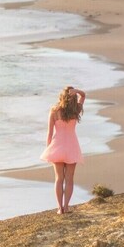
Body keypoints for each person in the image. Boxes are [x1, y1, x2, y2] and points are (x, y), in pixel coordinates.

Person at [41, 86, 85, 214]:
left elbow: (49, 134)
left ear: (62, 96)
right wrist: (77, 91)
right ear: (73, 97)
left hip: (57, 147)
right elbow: (84, 96)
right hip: (72, 146)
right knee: (69, 179)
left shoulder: (54, 111)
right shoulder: (76, 109)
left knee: (59, 178)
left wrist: (48, 150)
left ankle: (60, 208)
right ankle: (66, 206)